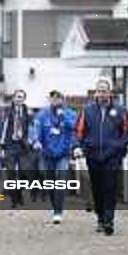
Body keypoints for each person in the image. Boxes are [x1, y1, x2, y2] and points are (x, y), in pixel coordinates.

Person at [75, 78, 128, 235]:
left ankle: (109, 220)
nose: (102, 94)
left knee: (110, 188)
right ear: (96, 93)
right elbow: (79, 132)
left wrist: (119, 146)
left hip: (112, 157)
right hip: (93, 156)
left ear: (110, 93)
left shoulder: (121, 111)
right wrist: (78, 147)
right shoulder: (87, 110)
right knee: (97, 189)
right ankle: (100, 217)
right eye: (99, 90)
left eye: (105, 90)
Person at [32, 90, 77, 224]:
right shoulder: (42, 115)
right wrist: (36, 141)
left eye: (58, 99)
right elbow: (36, 130)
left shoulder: (70, 114)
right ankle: (55, 207)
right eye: (52, 99)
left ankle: (58, 212)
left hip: (63, 154)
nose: (55, 101)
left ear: (63, 100)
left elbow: (74, 128)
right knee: (50, 183)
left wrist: (63, 117)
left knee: (61, 181)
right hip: (47, 154)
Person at [0, 89, 34, 208]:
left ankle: (19, 193)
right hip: (10, 145)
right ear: (13, 98)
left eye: (22, 97)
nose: (19, 99)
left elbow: (30, 128)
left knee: (24, 172)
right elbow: (1, 127)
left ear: (24, 99)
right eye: (18, 97)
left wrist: (30, 141)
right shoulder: (7, 111)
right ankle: (14, 199)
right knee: (11, 173)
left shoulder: (27, 112)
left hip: (22, 145)